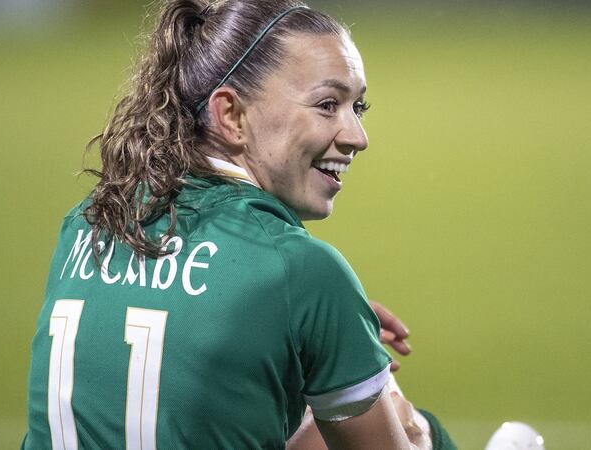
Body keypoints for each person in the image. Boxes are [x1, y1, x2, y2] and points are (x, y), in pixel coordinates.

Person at [23, 1, 445, 448]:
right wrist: (423, 432)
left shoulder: (90, 224)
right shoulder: (300, 270)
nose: (357, 136)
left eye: (357, 106)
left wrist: (301, 333)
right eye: (327, 105)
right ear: (231, 115)